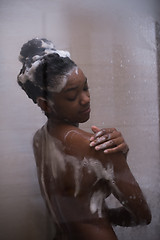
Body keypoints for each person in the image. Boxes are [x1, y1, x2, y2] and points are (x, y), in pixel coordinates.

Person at [17, 38, 151, 240]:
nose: (86, 99)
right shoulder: (96, 146)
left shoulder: (39, 140)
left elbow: (74, 198)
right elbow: (141, 216)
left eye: (85, 87)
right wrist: (105, 214)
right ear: (45, 105)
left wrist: (120, 157)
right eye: (72, 96)